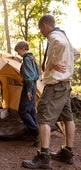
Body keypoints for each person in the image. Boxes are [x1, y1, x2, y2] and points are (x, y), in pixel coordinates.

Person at [22, 14, 78, 169]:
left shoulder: (54, 36)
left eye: (41, 29)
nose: (41, 32)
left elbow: (58, 45)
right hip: (65, 84)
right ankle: (68, 152)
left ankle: (44, 156)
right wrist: (65, 63)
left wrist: (53, 63)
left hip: (55, 85)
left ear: (45, 25)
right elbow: (76, 54)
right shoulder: (64, 35)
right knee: (67, 117)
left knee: (43, 117)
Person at [14, 41, 39, 142]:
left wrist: (28, 90)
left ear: (24, 48)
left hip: (29, 86)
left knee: (23, 111)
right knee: (31, 109)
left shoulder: (27, 59)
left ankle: (35, 131)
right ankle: (34, 130)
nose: (18, 53)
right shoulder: (32, 58)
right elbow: (36, 74)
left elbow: (29, 76)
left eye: (18, 51)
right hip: (33, 85)